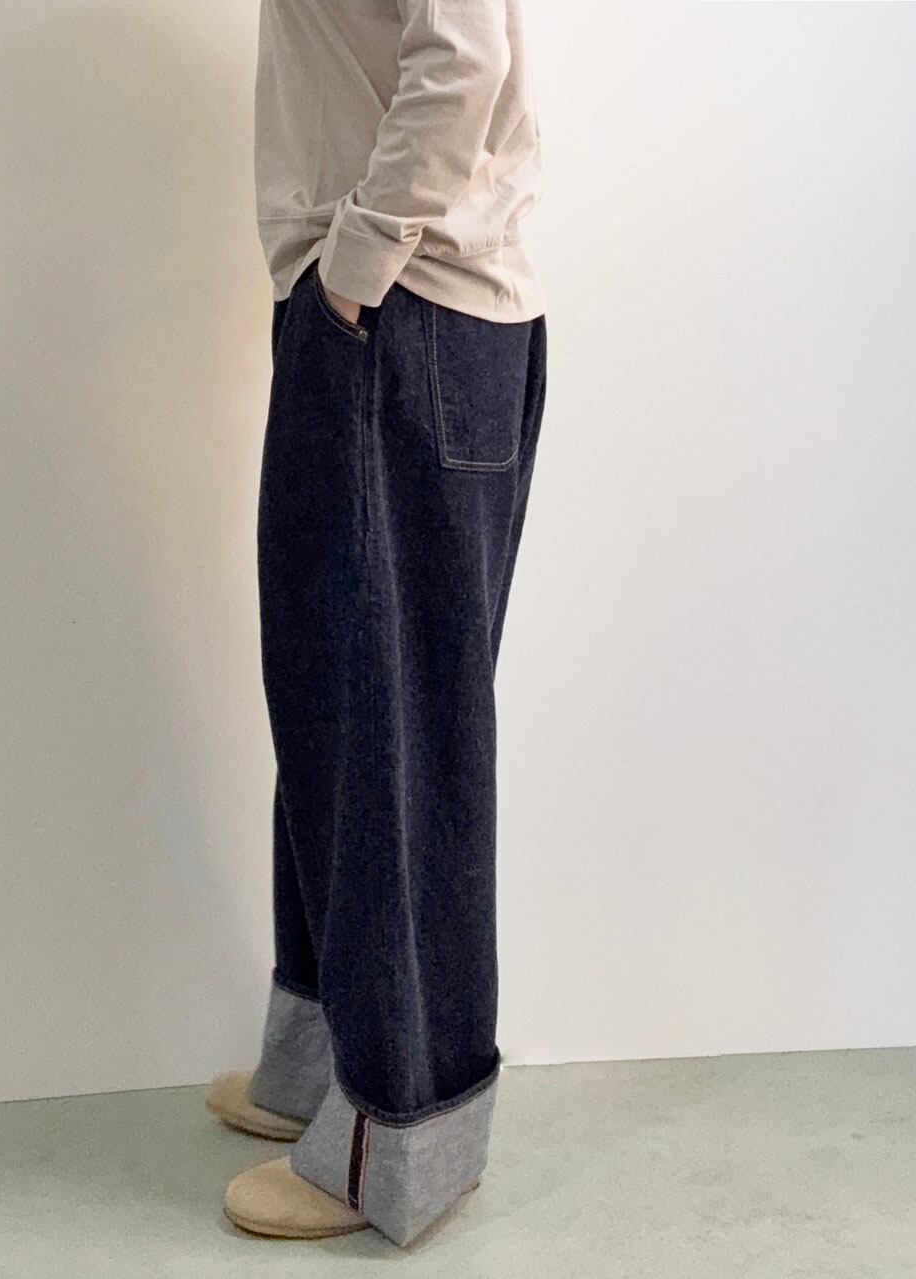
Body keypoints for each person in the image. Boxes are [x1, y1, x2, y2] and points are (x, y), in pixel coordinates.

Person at [206, 0, 549, 1248]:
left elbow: (463, 54)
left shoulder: (378, 287)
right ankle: (319, 1063)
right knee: (334, 700)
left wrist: (354, 268)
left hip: (404, 316)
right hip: (404, 314)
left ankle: (397, 1138)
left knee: (389, 730)